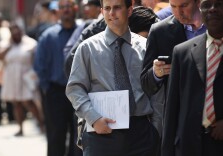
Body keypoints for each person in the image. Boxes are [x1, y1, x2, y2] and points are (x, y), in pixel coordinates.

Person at [66, 0, 160, 155]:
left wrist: (155, 128)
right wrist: (94, 118)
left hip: (141, 132)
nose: (111, 13)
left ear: (129, 10)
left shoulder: (145, 47)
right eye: (107, 8)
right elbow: (74, 89)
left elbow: (155, 90)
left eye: (117, 8)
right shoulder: (87, 48)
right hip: (100, 131)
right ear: (102, 11)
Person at [162, 0, 223, 155]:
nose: (212, 10)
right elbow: (172, 109)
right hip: (189, 146)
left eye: (219, 4)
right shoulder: (183, 52)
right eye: (206, 5)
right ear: (199, 9)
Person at [33, 0, 79, 155]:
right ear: (57, 11)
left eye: (69, 7)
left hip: (79, 93)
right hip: (56, 93)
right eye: (62, 7)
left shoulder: (82, 31)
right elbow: (39, 65)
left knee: (78, 136)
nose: (66, 10)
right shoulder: (48, 36)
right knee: (55, 136)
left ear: (75, 9)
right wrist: (47, 89)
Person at [140, 0, 206, 100]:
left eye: (184, 5)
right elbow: (146, 84)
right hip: (182, 109)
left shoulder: (216, 24)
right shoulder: (160, 31)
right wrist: (156, 73)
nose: (178, 12)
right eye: (173, 6)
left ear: (198, 2)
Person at [0, 23, 44, 136]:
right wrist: (9, 45)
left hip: (26, 75)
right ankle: (20, 128)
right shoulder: (6, 43)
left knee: (29, 102)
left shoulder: (30, 43)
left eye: (17, 31)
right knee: (16, 103)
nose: (16, 34)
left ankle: (42, 125)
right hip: (12, 76)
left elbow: (37, 59)